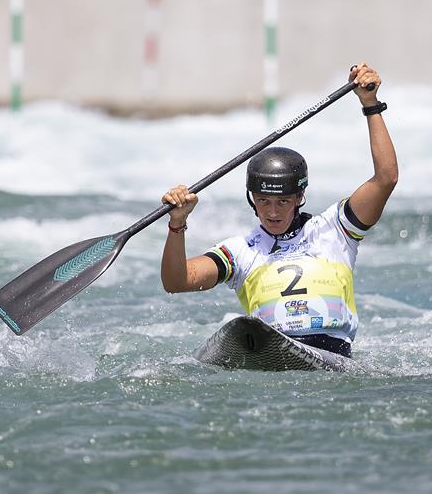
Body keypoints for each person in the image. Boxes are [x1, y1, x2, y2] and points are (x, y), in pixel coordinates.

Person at [160, 63, 397, 358]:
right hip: (271, 351)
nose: (272, 212)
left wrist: (370, 105)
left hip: (333, 358)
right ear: (252, 199)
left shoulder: (336, 230)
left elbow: (386, 178)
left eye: (282, 201)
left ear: (300, 196)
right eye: (263, 201)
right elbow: (176, 282)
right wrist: (177, 224)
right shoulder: (241, 251)